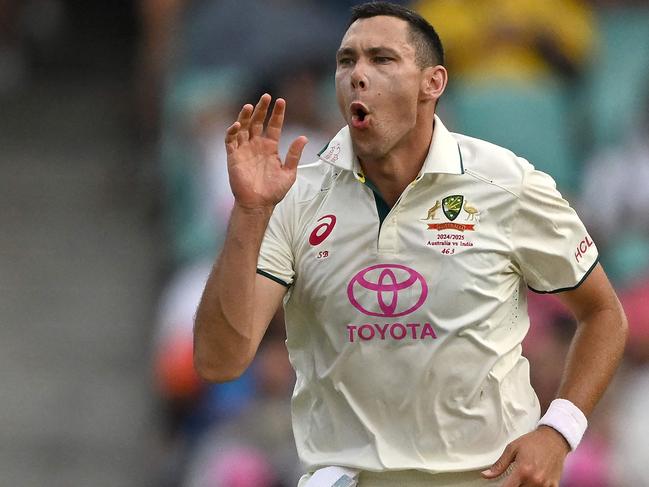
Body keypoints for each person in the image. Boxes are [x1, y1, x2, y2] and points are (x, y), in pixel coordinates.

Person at [193, 3, 627, 486]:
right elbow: (219, 360)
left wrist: (558, 431)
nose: (358, 74)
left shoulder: (507, 184)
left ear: (432, 83)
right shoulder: (294, 198)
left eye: (381, 59)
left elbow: (605, 314)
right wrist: (250, 213)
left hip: (486, 477)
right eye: (346, 61)